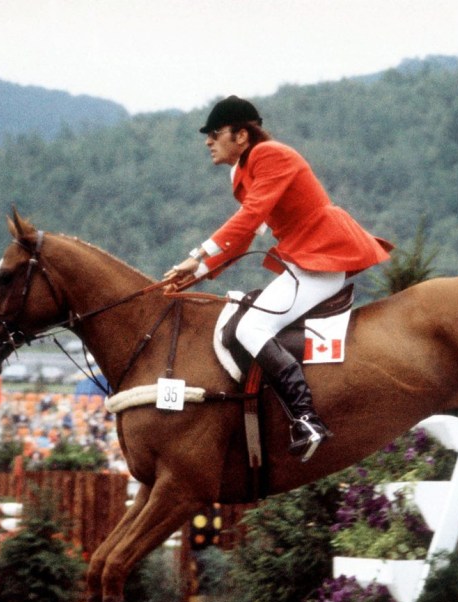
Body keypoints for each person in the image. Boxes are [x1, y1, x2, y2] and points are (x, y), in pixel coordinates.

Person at [164, 96, 391, 461]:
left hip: (323, 256)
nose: (208, 141)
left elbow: (252, 216)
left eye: (215, 133)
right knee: (248, 320)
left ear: (241, 135)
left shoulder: (271, 155)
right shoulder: (242, 169)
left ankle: (307, 417)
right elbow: (242, 236)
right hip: (305, 259)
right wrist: (197, 273)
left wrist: (196, 255)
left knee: (250, 328)